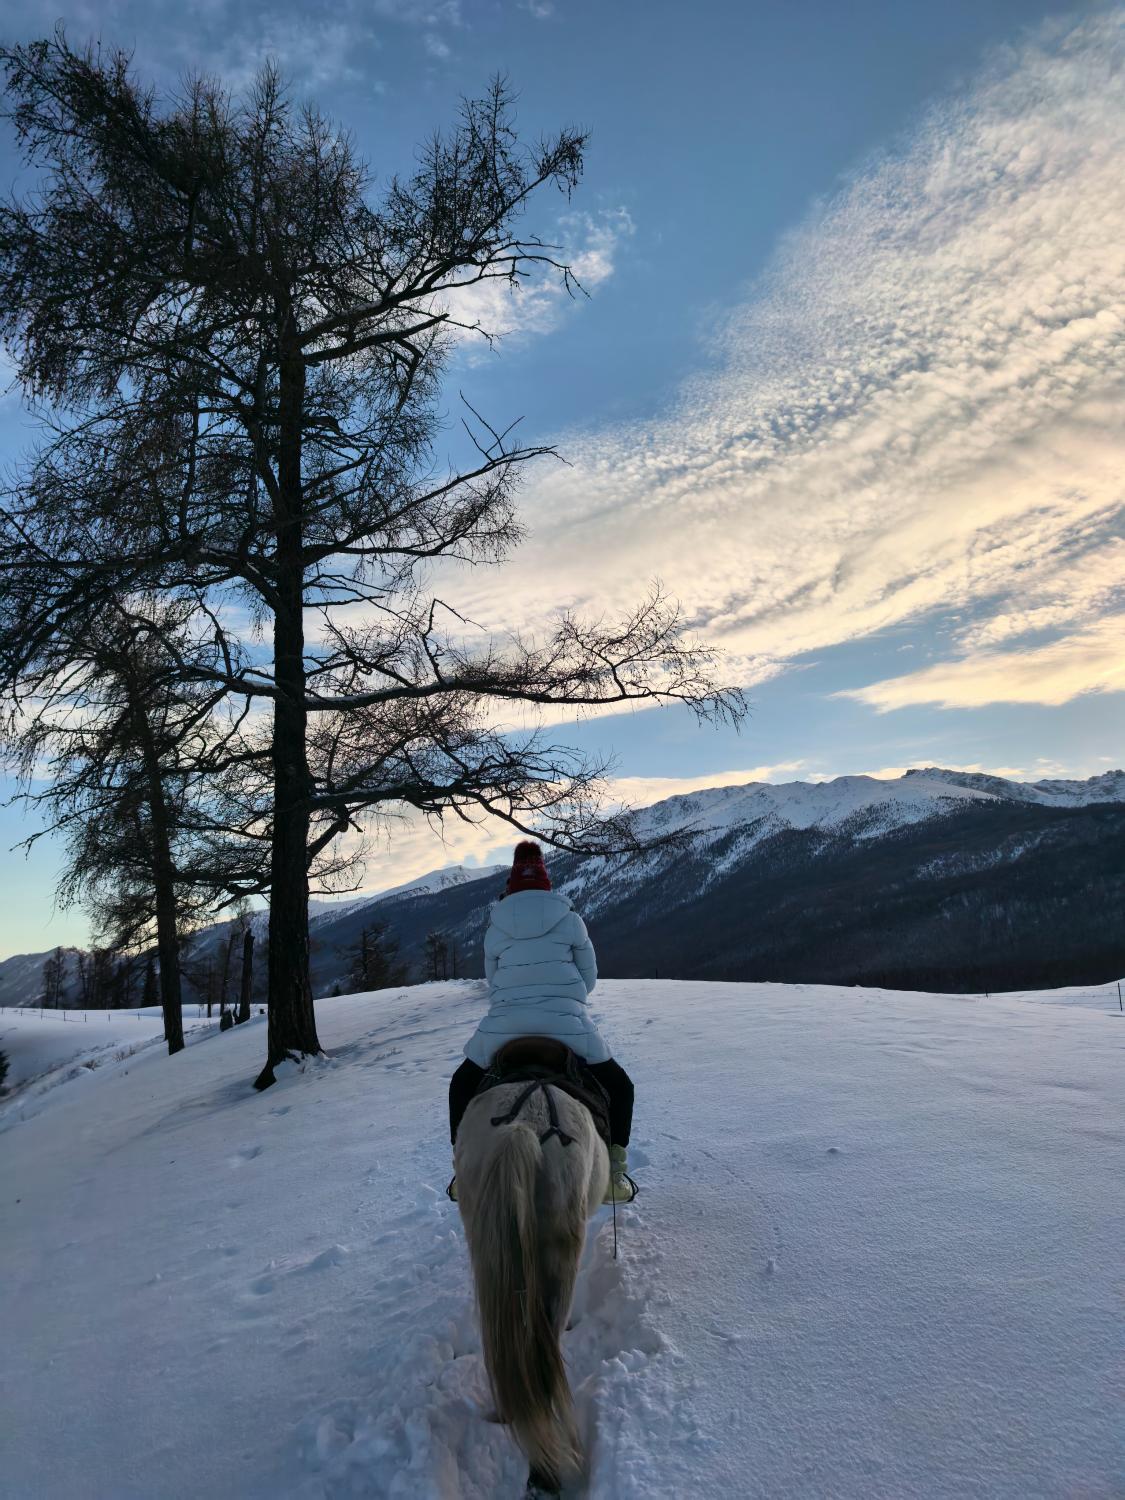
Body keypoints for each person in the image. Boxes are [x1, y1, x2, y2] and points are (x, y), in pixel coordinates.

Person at [448, 840, 636, 1204]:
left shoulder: (495, 927)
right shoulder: (570, 920)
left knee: (461, 1084)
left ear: (512, 882)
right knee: (620, 1086)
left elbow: (493, 981)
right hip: (568, 1027)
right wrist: (565, 997)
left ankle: (462, 1172)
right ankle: (613, 1175)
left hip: (504, 1027)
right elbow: (589, 978)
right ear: (546, 881)